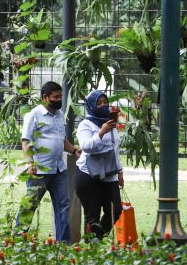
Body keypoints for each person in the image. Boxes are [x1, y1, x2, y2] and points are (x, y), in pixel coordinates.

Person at [14, 81, 81, 243]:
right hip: (39, 171)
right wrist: (31, 163)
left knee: (63, 207)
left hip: (59, 170)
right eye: (55, 97)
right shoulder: (34, 115)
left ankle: (63, 245)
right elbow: (25, 141)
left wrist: (73, 150)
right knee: (29, 207)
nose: (59, 100)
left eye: (61, 97)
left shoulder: (59, 115)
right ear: (45, 97)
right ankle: (16, 242)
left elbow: (61, 139)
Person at [75, 90, 124, 240]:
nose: (103, 105)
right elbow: (86, 146)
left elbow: (115, 148)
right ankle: (91, 248)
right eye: (99, 103)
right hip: (88, 174)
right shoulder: (86, 124)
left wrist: (120, 172)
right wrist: (101, 132)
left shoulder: (111, 124)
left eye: (105, 102)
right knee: (92, 216)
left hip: (109, 174)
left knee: (115, 210)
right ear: (91, 105)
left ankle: (97, 237)